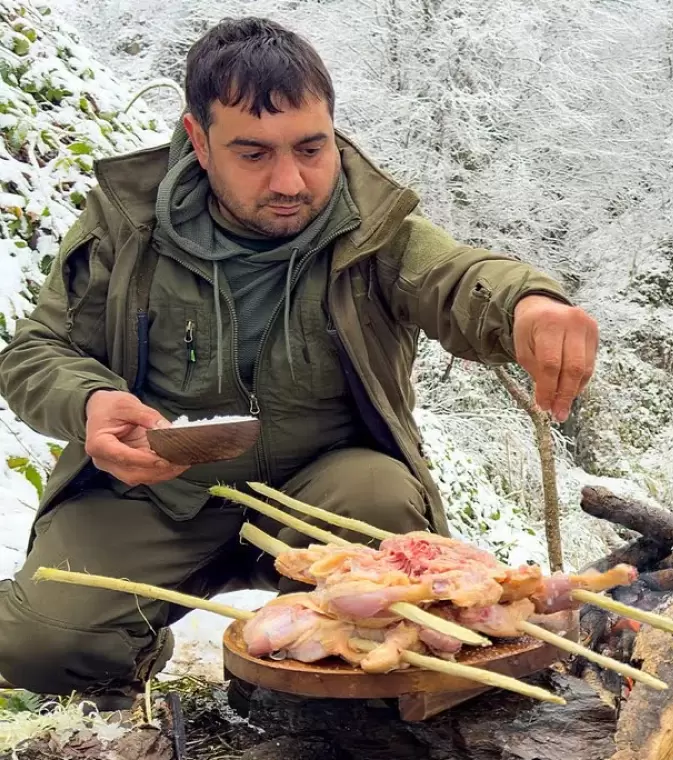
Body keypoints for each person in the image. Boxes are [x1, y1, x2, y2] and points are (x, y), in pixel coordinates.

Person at [0, 16, 598, 708]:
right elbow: (35, 352)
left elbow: (457, 279)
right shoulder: (126, 227)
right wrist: (89, 403)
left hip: (326, 497)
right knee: (40, 640)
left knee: (381, 513)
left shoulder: (371, 229)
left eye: (311, 149)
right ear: (198, 141)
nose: (291, 180)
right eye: (253, 155)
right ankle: (123, 665)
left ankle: (311, 702)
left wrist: (531, 306)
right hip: (156, 493)